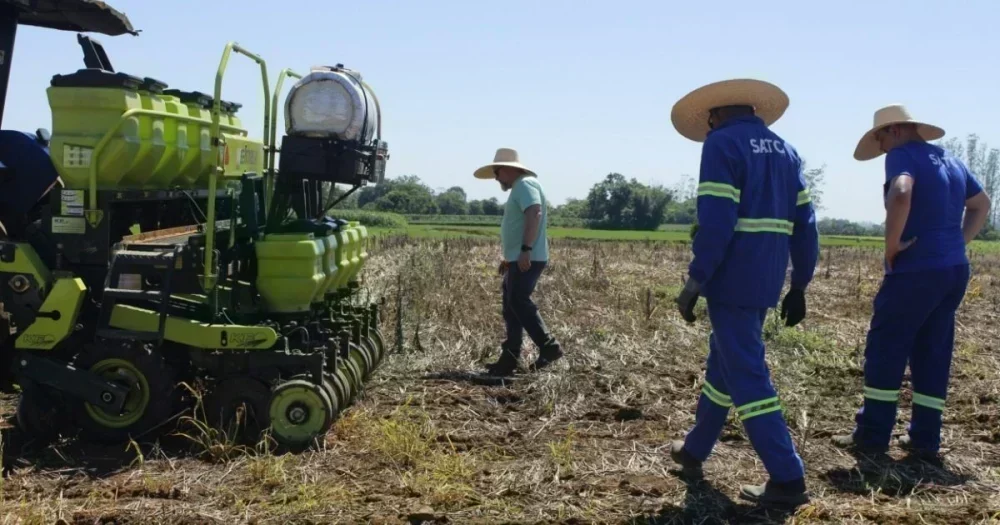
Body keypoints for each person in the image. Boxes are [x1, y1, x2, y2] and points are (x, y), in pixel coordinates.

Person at [668, 79, 820, 507]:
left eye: (709, 121)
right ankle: (696, 449)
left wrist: (696, 279)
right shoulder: (787, 152)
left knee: (749, 376)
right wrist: (800, 284)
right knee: (726, 364)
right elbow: (806, 226)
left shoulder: (720, 146)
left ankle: (787, 477)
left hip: (732, 279)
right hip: (767, 279)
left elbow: (717, 221)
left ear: (715, 115)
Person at [832, 105, 991, 458]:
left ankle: (872, 436)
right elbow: (982, 204)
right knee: (933, 350)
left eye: (881, 138)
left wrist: (892, 246)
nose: (883, 147)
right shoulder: (951, 160)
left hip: (914, 270)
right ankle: (924, 439)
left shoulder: (903, 155)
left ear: (896, 130)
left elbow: (902, 192)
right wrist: (957, 242)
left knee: (886, 348)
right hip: (953, 271)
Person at [473, 148, 563, 376]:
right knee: (511, 305)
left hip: (527, 257)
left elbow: (535, 212)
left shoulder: (525, 184)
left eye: (497, 171)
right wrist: (511, 256)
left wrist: (525, 250)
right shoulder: (522, 186)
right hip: (519, 257)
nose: (496, 177)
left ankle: (549, 346)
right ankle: (509, 359)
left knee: (518, 300)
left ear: (509, 168)